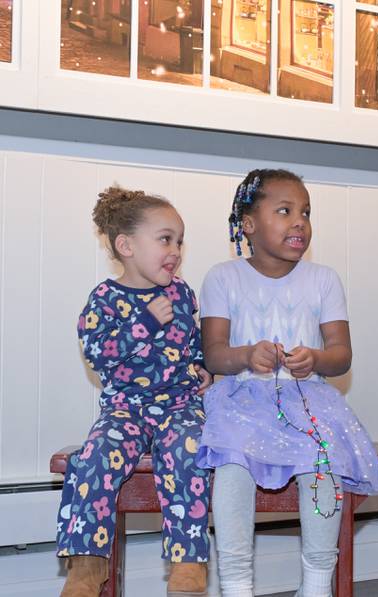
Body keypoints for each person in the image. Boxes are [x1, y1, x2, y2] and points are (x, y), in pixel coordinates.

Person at [197, 169, 378, 597]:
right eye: (284, 211)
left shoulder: (323, 280)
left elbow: (341, 356)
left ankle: (317, 582)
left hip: (306, 398)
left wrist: (315, 358)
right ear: (248, 224)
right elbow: (213, 353)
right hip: (242, 396)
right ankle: (236, 582)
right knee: (231, 463)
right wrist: (246, 355)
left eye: (305, 212)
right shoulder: (223, 277)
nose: (299, 221)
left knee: (323, 460)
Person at [57, 186, 212, 597]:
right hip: (126, 408)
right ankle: (87, 568)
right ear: (125, 245)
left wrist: (200, 367)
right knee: (92, 458)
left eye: (179, 240)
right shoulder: (106, 299)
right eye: (165, 239)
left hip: (179, 404)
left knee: (191, 449)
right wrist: (143, 323)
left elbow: (191, 342)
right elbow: (98, 354)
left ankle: (187, 561)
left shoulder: (181, 293)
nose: (176, 249)